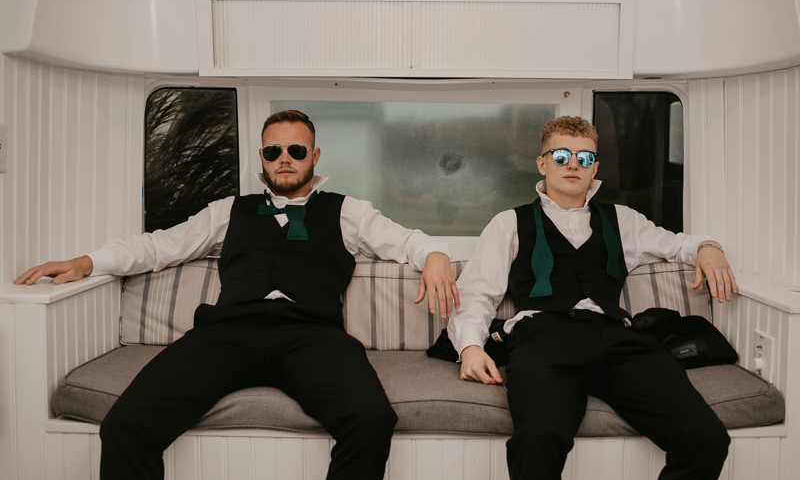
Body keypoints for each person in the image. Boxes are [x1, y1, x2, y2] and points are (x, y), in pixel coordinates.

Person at [15, 109, 460, 480]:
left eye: (296, 150)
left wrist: (436, 254)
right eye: (273, 151)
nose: (284, 159)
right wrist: (86, 263)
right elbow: (157, 246)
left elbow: (405, 241)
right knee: (125, 424)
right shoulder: (228, 210)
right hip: (226, 333)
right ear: (262, 158)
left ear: (314, 156)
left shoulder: (348, 212)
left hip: (312, 335)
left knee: (371, 419)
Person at [447, 116, 736, 480]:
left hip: (619, 339)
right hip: (544, 338)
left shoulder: (623, 220)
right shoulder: (509, 223)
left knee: (705, 437)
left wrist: (709, 247)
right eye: (561, 154)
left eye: (584, 158)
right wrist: (471, 347)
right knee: (538, 438)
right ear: (542, 162)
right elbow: (475, 294)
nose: (572, 164)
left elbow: (679, 244)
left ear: (594, 167)